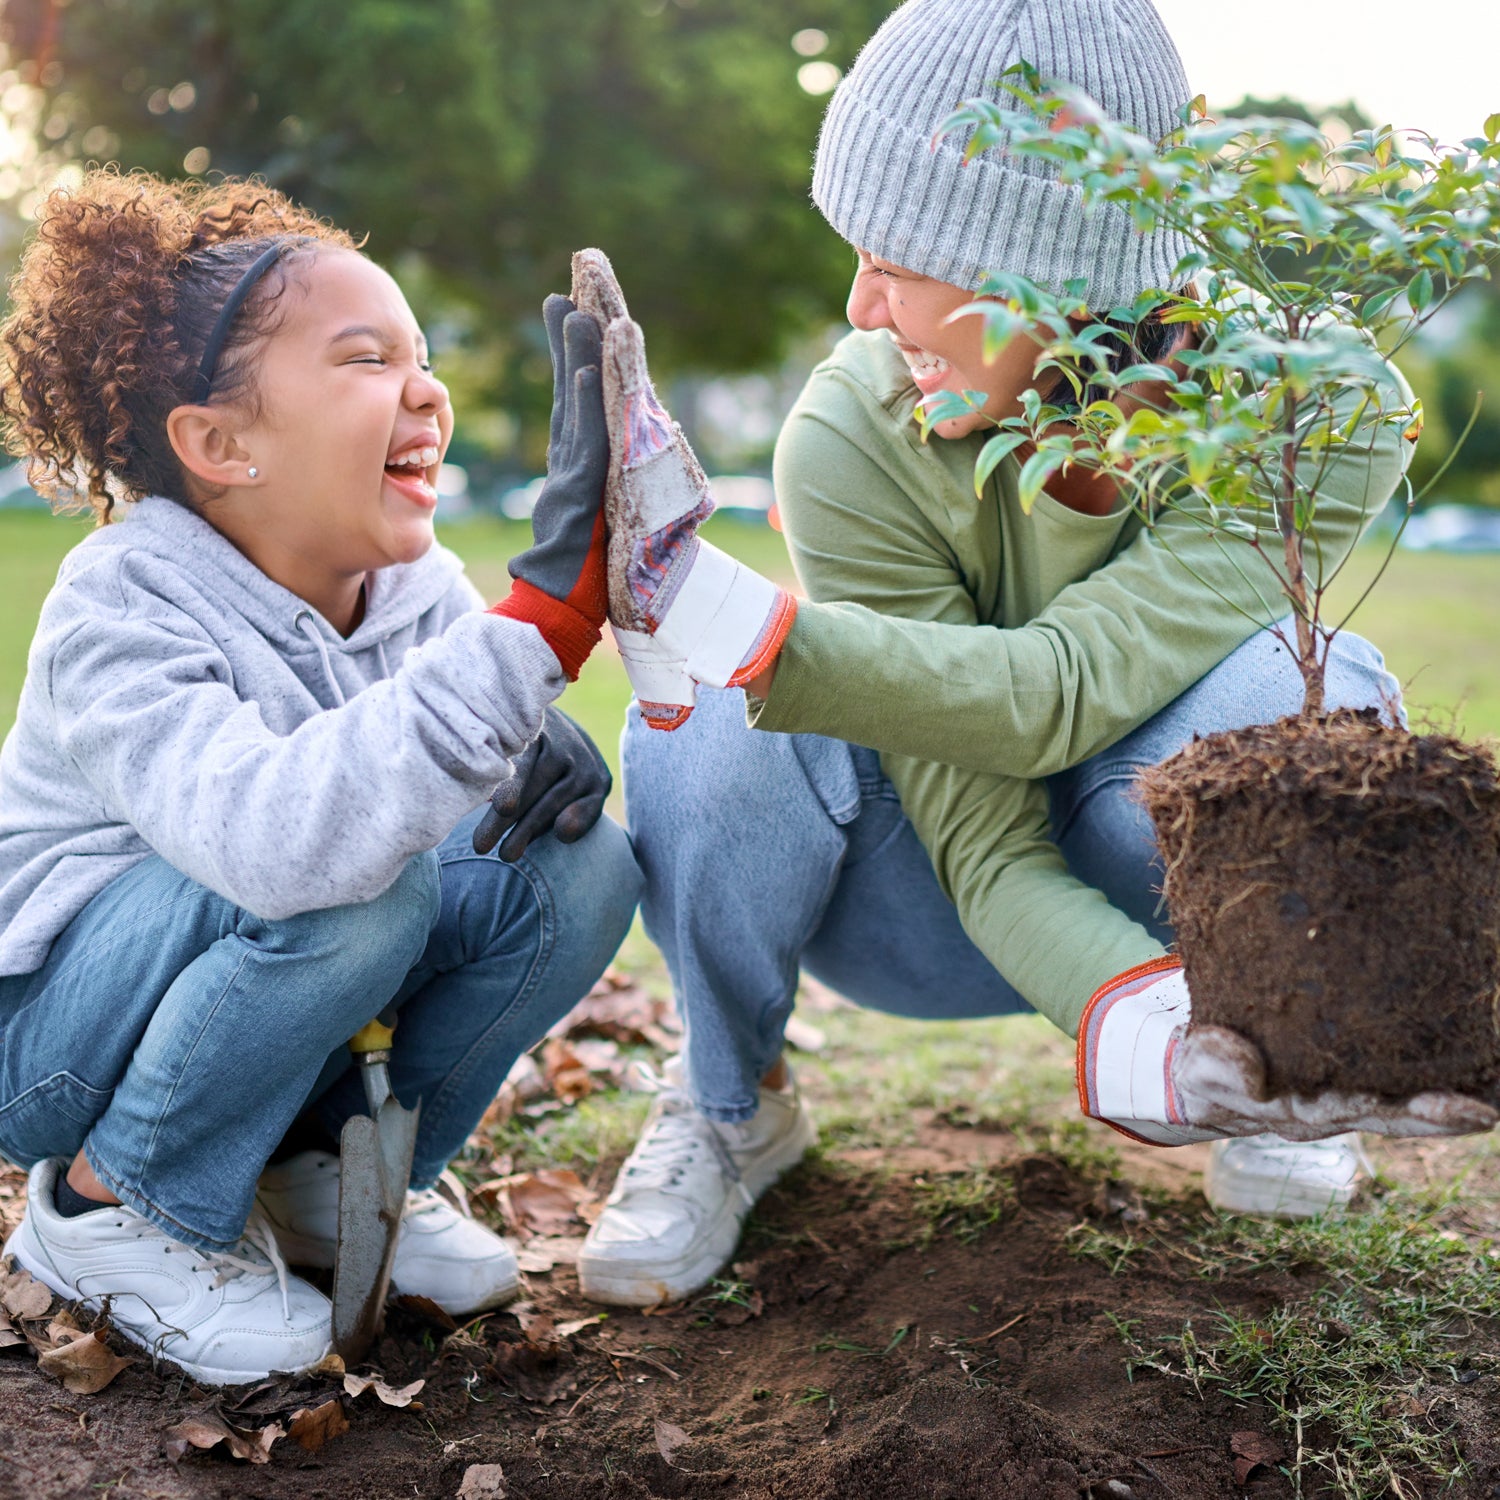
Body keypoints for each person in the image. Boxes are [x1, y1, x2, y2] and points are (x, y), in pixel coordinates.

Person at [566, 0, 1495, 1310]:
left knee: (1307, 691)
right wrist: (1129, 1019)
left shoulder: (1321, 407)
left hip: (1162, 871)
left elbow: (1063, 694)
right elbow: (986, 837)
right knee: (720, 727)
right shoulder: (853, 433)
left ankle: (1277, 1052)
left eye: (899, 257)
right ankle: (733, 1105)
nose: (858, 302)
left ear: (1050, 270)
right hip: (917, 904)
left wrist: (739, 618)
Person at [0, 170, 641, 1383]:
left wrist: (513, 730)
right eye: (365, 361)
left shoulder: (409, 587)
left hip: (249, 974)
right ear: (220, 443)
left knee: (572, 865)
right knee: (352, 883)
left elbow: (439, 743)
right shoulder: (119, 604)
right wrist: (536, 636)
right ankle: (113, 1207)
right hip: (51, 1038)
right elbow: (281, 843)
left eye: (424, 355)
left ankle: (327, 1173)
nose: (427, 392)